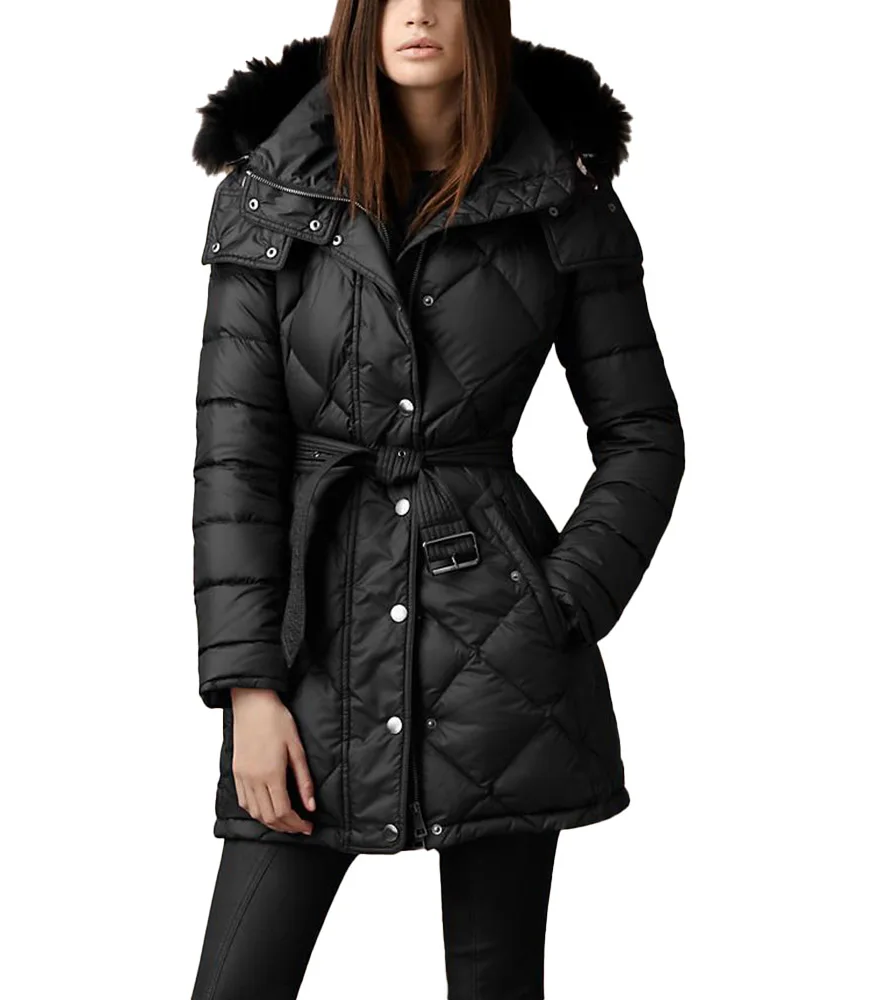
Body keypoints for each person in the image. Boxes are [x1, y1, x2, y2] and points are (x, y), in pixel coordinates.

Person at [188, 2, 685, 997]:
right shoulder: (270, 191)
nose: (417, 10)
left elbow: (643, 436)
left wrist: (559, 605)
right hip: (314, 644)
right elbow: (234, 462)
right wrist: (247, 686)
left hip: (500, 657)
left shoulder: (561, 197)